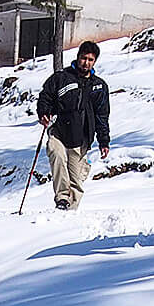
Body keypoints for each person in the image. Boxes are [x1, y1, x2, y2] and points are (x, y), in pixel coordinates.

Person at [36, 40, 112, 211]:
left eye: (90, 60)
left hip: (81, 137)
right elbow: (45, 96)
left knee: (75, 177)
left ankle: (71, 209)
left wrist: (104, 141)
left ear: (95, 62)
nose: (86, 62)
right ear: (78, 57)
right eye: (83, 58)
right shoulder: (61, 78)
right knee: (56, 153)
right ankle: (62, 198)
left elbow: (102, 115)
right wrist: (44, 113)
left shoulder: (99, 86)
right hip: (59, 131)